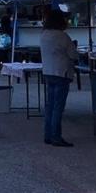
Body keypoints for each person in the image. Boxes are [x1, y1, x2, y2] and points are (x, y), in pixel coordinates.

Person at [41, 9, 79, 147]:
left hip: (48, 72)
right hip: (61, 72)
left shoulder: (44, 35)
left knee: (50, 105)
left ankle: (48, 135)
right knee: (58, 107)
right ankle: (56, 137)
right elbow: (74, 55)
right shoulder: (63, 36)